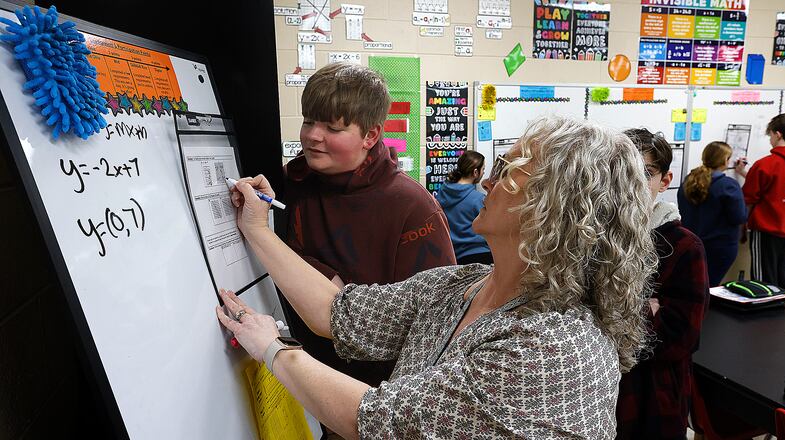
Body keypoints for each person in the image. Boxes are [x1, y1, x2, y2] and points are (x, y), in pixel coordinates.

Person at [217, 116, 658, 439]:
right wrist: (257, 229)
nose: (487, 183)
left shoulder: (554, 346)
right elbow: (339, 313)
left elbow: (374, 419)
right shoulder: (462, 285)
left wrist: (274, 349)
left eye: (508, 170)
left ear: (554, 207)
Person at [281, 62, 456, 388]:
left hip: (370, 392)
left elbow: (438, 319)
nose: (313, 137)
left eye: (333, 129)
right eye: (308, 122)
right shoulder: (293, 183)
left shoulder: (413, 207)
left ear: (371, 135)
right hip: (297, 370)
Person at [616, 128, 709, 440]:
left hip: (651, 396)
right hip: (598, 390)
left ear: (664, 181)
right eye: (621, 170)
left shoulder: (683, 245)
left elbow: (679, 335)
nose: (630, 182)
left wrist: (609, 312)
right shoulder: (592, 238)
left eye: (645, 173)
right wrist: (645, 308)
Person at [677, 141, 747, 286]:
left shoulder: (688, 182)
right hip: (720, 248)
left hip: (691, 245)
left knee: (694, 286)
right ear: (724, 161)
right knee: (709, 286)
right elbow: (739, 217)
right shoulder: (728, 185)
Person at [736, 113, 785, 289]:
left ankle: (766, 314)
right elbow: (780, 184)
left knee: (764, 280)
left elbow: (750, 199)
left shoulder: (765, 164)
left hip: (767, 231)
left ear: (778, 134)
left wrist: (743, 226)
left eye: (771, 136)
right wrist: (745, 174)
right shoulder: (767, 166)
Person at [435, 150, 492, 264]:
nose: (483, 173)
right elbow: (490, 229)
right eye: (483, 169)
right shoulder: (479, 199)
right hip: (480, 256)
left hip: (453, 257)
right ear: (475, 172)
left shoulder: (441, 194)